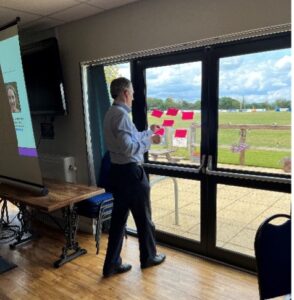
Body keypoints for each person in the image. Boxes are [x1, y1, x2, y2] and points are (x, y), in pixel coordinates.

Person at [102, 77, 166, 277]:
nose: (133, 97)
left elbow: (130, 138)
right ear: (125, 93)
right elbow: (129, 148)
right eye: (132, 93)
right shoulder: (121, 116)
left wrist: (148, 133)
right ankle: (148, 257)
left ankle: (111, 264)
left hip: (118, 174)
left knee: (118, 221)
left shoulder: (111, 113)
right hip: (131, 173)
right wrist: (151, 141)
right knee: (144, 218)